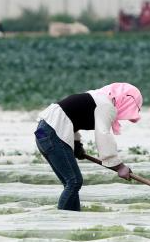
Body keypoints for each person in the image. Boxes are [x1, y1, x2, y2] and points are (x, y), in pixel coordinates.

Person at [34, 83, 142, 211]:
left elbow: (70, 118)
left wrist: (77, 146)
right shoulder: (105, 104)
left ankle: (72, 218)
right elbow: (103, 134)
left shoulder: (95, 97)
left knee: (70, 183)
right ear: (125, 100)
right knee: (74, 181)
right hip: (51, 133)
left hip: (41, 133)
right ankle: (63, 221)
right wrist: (119, 166)